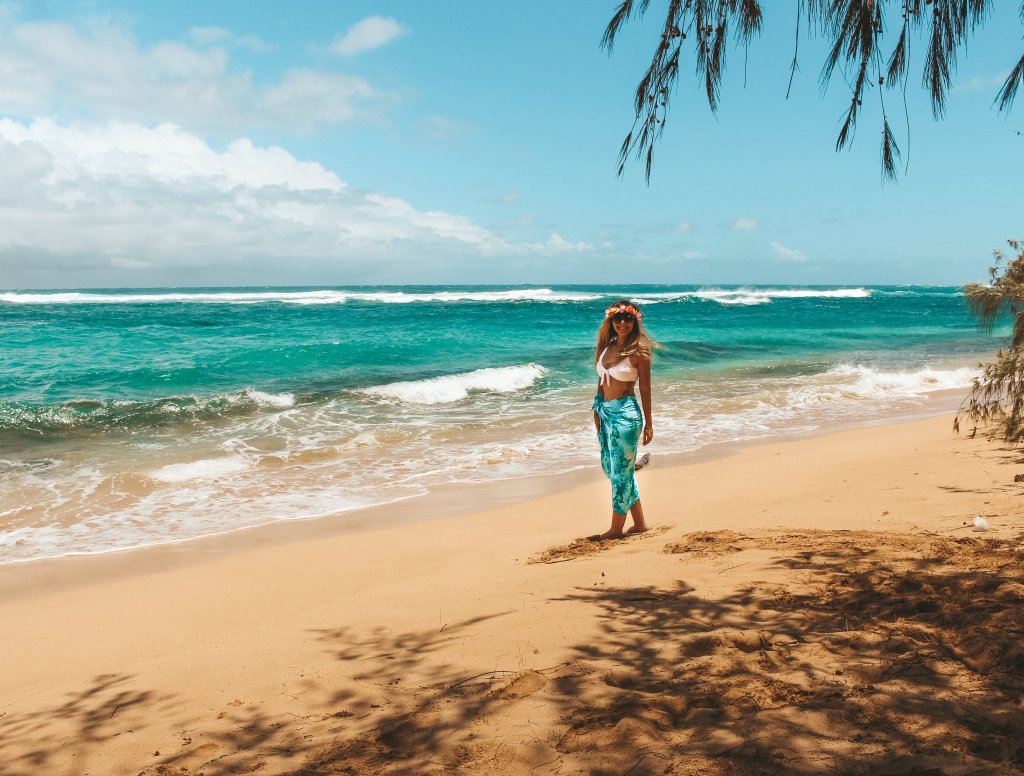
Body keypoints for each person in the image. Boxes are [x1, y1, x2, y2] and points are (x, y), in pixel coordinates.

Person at [591, 300, 659, 540]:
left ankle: (616, 529)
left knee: (621, 474)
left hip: (626, 415)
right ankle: (640, 525)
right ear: (611, 321)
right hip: (606, 413)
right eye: (617, 318)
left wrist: (649, 424)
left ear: (635, 320)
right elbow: (600, 382)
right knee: (613, 469)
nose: (622, 323)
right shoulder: (605, 347)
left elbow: (646, 389)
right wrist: (596, 411)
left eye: (627, 318)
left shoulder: (640, 350)